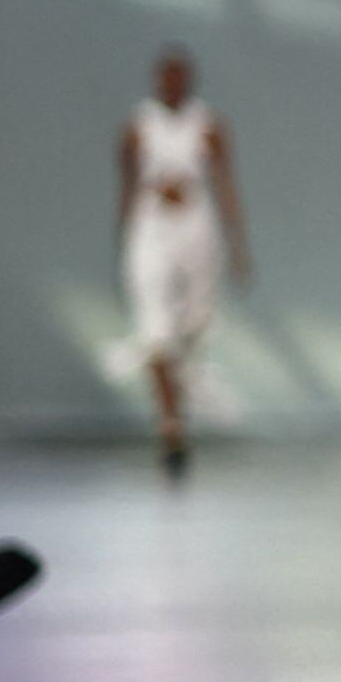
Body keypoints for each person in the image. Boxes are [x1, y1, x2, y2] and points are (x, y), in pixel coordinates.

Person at [118, 47, 247, 476]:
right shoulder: (138, 127)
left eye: (179, 76)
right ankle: (170, 425)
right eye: (165, 77)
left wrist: (238, 246)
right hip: (152, 229)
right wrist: (126, 241)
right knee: (156, 326)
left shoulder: (208, 126)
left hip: (197, 230)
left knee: (194, 324)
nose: (171, 84)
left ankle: (179, 398)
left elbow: (225, 185)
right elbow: (128, 186)